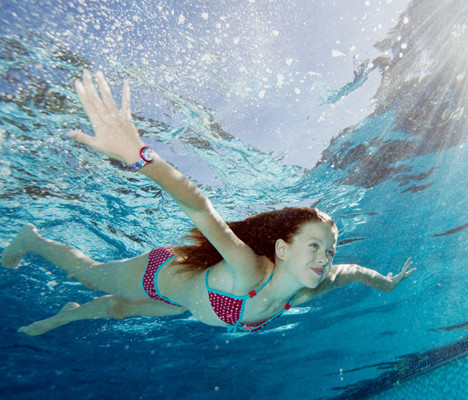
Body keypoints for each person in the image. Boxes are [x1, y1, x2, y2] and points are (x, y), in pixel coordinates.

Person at [1, 70, 416, 336]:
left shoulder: (312, 287)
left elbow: (358, 272)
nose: (326, 259)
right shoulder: (249, 270)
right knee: (92, 275)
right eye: (315, 246)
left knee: (117, 311)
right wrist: (138, 155)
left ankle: (69, 314)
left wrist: (391, 282)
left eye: (330, 250)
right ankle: (32, 237)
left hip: (184, 303)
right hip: (161, 275)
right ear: (282, 249)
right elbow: (201, 208)